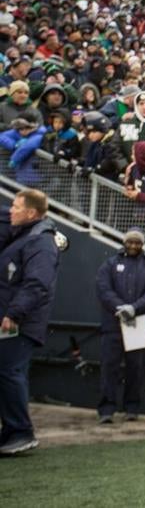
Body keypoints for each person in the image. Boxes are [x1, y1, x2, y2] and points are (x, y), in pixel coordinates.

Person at [0, 190, 59, 455]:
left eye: (15, 207)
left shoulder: (40, 242)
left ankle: (21, 431)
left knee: (9, 372)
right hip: (15, 319)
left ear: (31, 213)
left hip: (20, 323)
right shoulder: (24, 235)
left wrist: (13, 314)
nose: (10, 210)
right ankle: (12, 432)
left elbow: (37, 284)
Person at [94, 228, 145, 423]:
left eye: (137, 243)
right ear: (125, 242)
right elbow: (103, 288)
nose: (133, 246)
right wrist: (120, 307)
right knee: (109, 367)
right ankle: (106, 410)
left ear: (142, 244)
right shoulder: (110, 263)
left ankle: (132, 408)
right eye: (130, 242)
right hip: (113, 323)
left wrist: (134, 307)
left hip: (138, 323)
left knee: (136, 368)